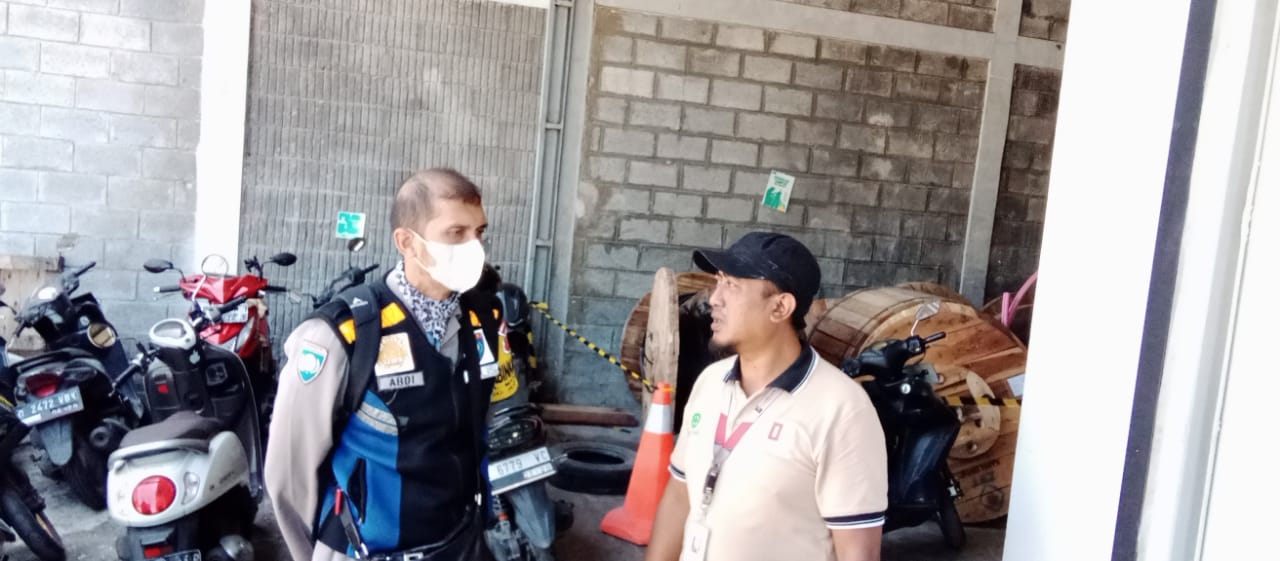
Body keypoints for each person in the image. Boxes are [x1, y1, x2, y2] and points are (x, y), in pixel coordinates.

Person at [266, 168, 505, 561]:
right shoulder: (342, 334)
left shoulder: (482, 319)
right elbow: (288, 476)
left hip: (458, 544)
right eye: (456, 233)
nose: (474, 247)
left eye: (479, 232)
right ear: (407, 242)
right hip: (363, 550)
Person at [645, 232, 889, 561]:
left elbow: (858, 553)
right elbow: (679, 496)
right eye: (718, 282)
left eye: (732, 285)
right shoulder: (710, 382)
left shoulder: (842, 410)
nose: (714, 299)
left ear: (780, 307)